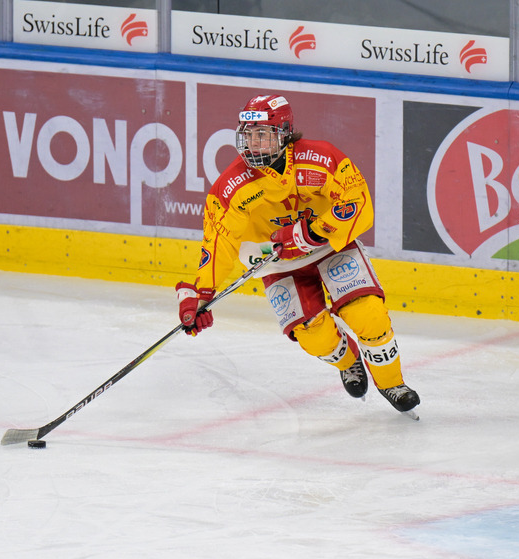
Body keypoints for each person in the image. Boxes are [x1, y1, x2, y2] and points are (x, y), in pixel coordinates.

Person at [176, 94, 420, 415]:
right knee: (315, 339)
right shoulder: (232, 187)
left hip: (329, 247)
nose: (253, 144)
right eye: (248, 135)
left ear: (284, 133)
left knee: (369, 316)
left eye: (261, 135)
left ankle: (391, 383)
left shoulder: (321, 158)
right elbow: (219, 242)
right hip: (277, 262)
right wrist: (201, 293)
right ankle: (349, 361)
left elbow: (356, 199)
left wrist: (314, 231)